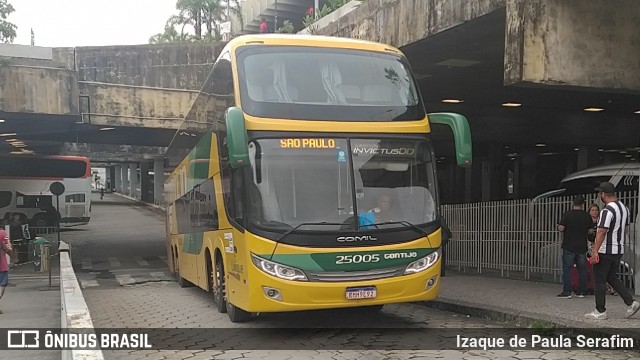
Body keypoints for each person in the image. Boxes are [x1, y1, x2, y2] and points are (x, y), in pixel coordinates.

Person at [585, 181, 640, 320]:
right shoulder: (624, 209)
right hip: (618, 249)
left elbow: (602, 231)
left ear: (603, 194)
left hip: (605, 250)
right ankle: (630, 302)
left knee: (599, 279)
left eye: (600, 193)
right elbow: (625, 229)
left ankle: (600, 311)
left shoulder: (607, 210)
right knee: (611, 277)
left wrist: (595, 250)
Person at [556, 195, 592, 298]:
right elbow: (590, 231)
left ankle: (567, 291)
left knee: (567, 268)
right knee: (582, 269)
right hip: (581, 246)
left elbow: (561, 228)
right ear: (582, 204)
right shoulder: (586, 216)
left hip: (569, 245)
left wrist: (558, 226)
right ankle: (582, 291)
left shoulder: (567, 215)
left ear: (573, 203)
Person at [0, 229, 15, 313]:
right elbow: (8, 247)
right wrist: (13, 259)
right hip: (1, 265)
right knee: (2, 284)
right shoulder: (2, 233)